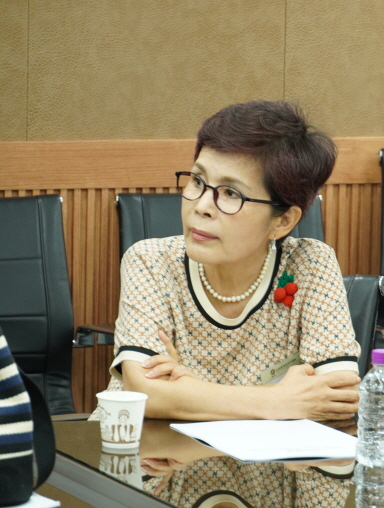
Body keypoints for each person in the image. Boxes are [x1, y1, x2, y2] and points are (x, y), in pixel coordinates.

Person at [92, 100, 360, 421]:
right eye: (198, 181)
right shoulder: (151, 262)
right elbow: (143, 393)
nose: (202, 206)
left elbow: (340, 397)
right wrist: (276, 401)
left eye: (231, 193)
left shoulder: (310, 264)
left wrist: (188, 391)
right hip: (149, 448)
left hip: (269, 453)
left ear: (283, 221)